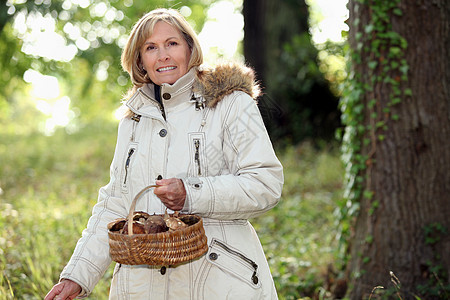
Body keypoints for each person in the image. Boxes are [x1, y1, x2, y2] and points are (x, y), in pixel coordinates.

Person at [45, 8, 283, 300]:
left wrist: (191, 194)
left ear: (190, 48)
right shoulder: (133, 122)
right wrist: (76, 276)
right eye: (151, 48)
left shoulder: (230, 104)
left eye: (172, 43)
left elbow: (265, 184)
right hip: (143, 287)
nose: (163, 55)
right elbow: (115, 205)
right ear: (140, 61)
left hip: (218, 281)